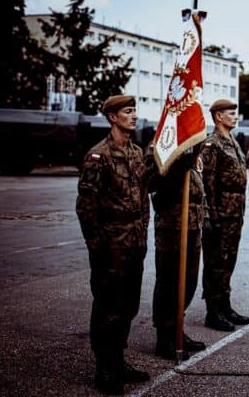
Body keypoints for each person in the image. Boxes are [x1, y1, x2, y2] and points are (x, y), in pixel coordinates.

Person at [76, 95, 151, 395]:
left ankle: (118, 360)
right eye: (127, 111)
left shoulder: (135, 153)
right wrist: (96, 244)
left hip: (134, 243)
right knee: (108, 306)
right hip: (110, 245)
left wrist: (142, 232)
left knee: (128, 306)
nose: (134, 116)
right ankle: (105, 368)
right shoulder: (98, 155)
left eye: (134, 111)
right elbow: (86, 206)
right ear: (112, 117)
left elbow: (145, 193)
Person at [146, 145, 207, 360]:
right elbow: (152, 182)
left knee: (188, 281)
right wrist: (180, 164)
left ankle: (177, 329)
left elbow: (199, 189)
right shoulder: (161, 146)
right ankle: (165, 336)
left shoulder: (192, 147)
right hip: (172, 227)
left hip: (192, 226)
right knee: (169, 281)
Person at [200, 99, 249, 332]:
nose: (235, 116)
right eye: (230, 113)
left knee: (229, 260)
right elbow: (207, 184)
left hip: (234, 212)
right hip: (221, 212)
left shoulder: (233, 142)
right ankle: (213, 311)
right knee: (215, 263)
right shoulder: (212, 144)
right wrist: (211, 217)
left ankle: (225, 305)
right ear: (218, 116)